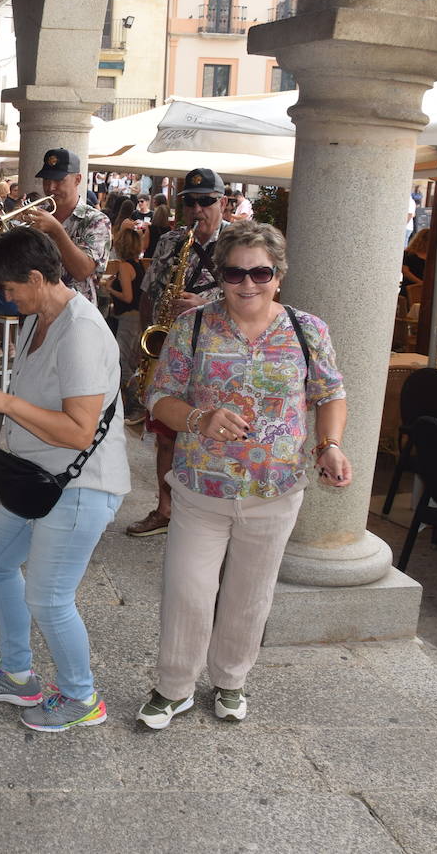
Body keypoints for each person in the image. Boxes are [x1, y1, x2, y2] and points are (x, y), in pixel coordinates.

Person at [137, 221, 349, 729]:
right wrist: (199, 419)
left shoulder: (307, 329)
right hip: (200, 486)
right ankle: (173, 687)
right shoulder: (193, 326)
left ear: (279, 275)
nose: (247, 283)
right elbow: (157, 396)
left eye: (261, 272)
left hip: (275, 490)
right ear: (220, 275)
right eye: (235, 272)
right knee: (188, 588)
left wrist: (330, 445)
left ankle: (230, 680)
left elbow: (329, 394)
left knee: (250, 594)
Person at [0, 225, 129, 730]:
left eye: (9, 289)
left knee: (50, 597)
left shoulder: (81, 332)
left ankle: (82, 698)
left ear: (37, 277)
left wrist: (1, 401)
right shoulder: (41, 316)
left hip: (78, 485)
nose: (5, 300)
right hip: (40, 477)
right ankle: (16, 673)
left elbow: (78, 432)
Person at [128, 167, 229, 539]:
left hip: (218, 352)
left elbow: (259, 295)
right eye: (190, 202)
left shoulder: (238, 242)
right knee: (167, 434)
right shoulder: (172, 241)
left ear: (223, 202)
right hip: (172, 349)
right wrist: (147, 343)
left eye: (206, 202)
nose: (198, 210)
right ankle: (165, 508)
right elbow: (150, 292)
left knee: (209, 435)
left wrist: (205, 301)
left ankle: (208, 514)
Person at [15, 148, 111, 305]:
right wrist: (16, 226)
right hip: (36, 310)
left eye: (59, 180)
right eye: (46, 180)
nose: (50, 187)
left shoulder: (97, 220)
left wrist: (56, 231)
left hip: (75, 313)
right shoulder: (38, 214)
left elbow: (82, 271)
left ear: (78, 180)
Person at [105, 225, 145, 419]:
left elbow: (127, 297)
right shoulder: (138, 264)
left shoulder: (124, 266)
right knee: (129, 359)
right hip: (137, 317)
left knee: (122, 362)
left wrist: (110, 288)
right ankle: (133, 401)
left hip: (129, 318)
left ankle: (136, 403)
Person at [400, 228, 430, 299]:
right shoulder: (408, 254)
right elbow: (405, 272)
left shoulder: (433, 256)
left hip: (427, 289)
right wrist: (421, 283)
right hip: (409, 288)